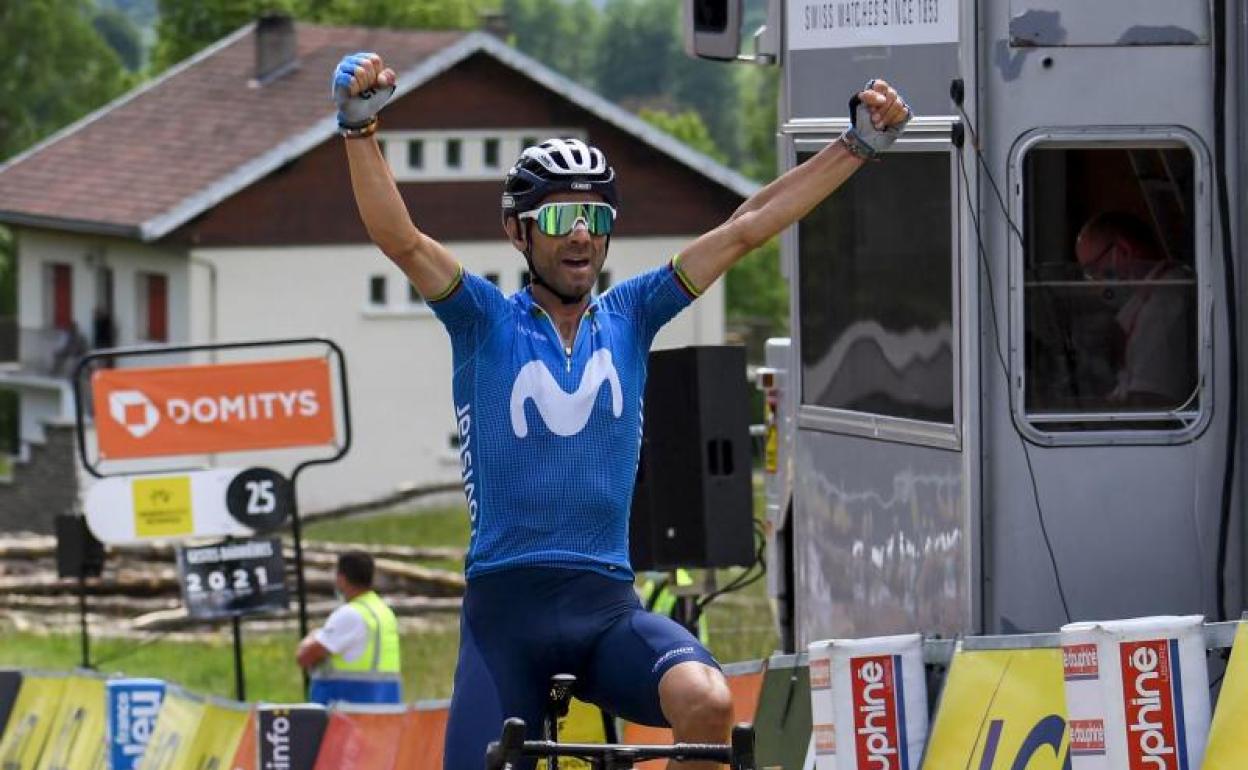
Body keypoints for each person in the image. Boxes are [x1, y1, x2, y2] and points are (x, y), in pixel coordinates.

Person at [332, 51, 910, 769]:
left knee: (708, 701)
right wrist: (360, 131)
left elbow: (745, 227)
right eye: (563, 217)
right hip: (504, 618)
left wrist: (853, 147)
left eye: (596, 217)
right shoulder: (482, 320)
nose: (582, 234)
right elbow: (402, 239)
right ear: (520, 233)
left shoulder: (633, 313)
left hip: (605, 607)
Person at [1074, 211, 1196, 408]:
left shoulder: (1165, 303)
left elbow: (1150, 406)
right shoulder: (1145, 301)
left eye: (1093, 271)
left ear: (1123, 251)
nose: (1094, 285)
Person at [295, 550, 402, 705]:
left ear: (341, 579)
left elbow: (305, 657)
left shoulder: (349, 614)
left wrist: (312, 636)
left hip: (346, 708)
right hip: (384, 708)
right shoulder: (383, 611)